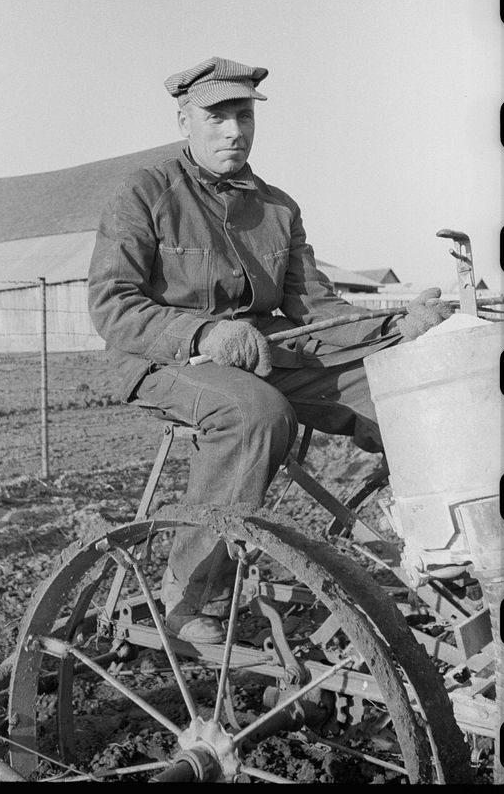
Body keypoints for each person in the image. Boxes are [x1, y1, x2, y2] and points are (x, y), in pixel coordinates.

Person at [87, 56, 451, 643]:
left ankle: (441, 554)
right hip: (163, 360)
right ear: (185, 121)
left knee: (401, 394)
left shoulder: (277, 207)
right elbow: (113, 306)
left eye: (243, 115)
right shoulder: (144, 193)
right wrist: (204, 333)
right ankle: (192, 601)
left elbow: (317, 311)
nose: (234, 129)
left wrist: (397, 333)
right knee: (253, 413)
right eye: (217, 116)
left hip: (265, 357)